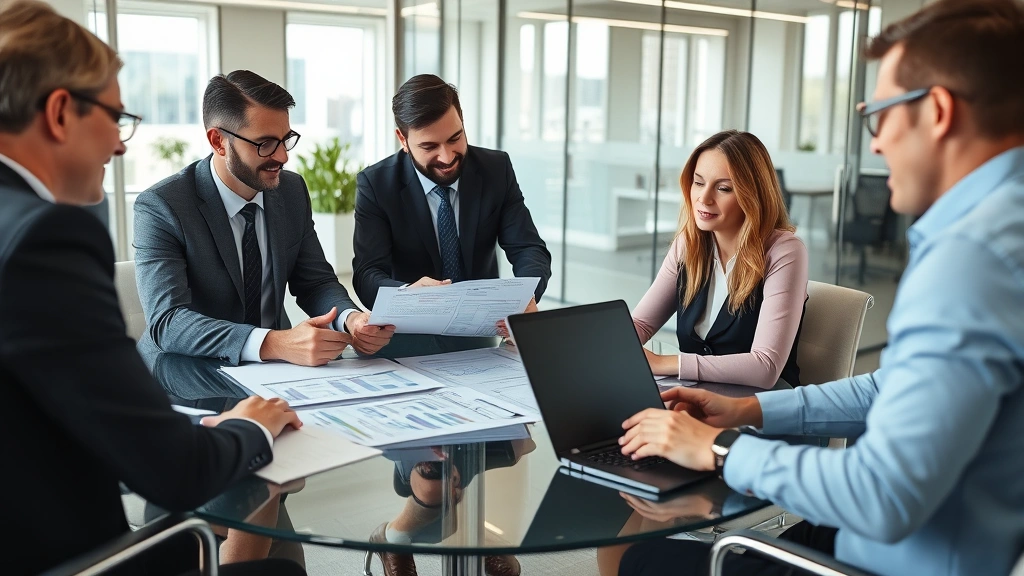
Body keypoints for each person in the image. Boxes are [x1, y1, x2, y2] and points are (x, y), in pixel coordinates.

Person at [618, 1, 1024, 574]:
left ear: (936, 111)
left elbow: (884, 496)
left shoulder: (972, 259)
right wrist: (747, 412)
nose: (876, 145)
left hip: (885, 561)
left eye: (878, 116)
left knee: (637, 558)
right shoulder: (998, 229)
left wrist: (714, 449)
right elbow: (888, 389)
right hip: (889, 539)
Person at [0, 2, 305, 574]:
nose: (120, 145)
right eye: (116, 118)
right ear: (62, 112)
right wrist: (251, 427)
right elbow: (174, 468)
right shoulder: (45, 240)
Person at [134, 70, 395, 371]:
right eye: (265, 144)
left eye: (286, 140)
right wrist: (276, 342)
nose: (283, 156)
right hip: (190, 373)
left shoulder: (291, 190)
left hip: (278, 372)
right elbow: (168, 322)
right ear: (218, 141)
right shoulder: (162, 206)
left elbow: (315, 282)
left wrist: (351, 320)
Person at [353, 74, 550, 355]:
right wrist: (406, 294)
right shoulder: (376, 184)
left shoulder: (496, 169)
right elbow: (367, 273)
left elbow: (528, 248)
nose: (447, 157)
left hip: (479, 337)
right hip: (405, 338)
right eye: (429, 146)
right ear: (403, 139)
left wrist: (525, 299)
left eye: (455, 138)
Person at [633, 130, 808, 389]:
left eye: (723, 188)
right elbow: (642, 322)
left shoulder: (784, 251)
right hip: (696, 397)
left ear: (753, 194)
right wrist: (616, 347)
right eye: (698, 182)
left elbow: (765, 367)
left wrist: (666, 363)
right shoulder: (688, 244)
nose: (704, 199)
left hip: (762, 406)